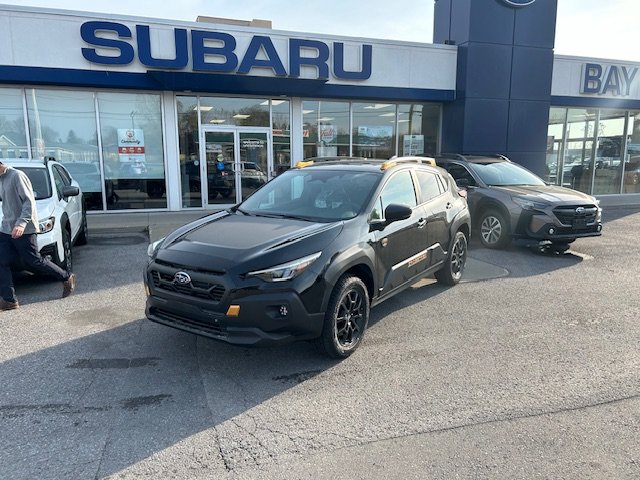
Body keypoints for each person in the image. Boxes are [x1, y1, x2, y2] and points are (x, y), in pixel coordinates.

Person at [0, 160, 76, 311]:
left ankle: (66, 276)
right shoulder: (1, 179)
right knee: (1, 261)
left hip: (24, 229)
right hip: (6, 229)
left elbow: (29, 203)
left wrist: (21, 223)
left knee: (33, 261)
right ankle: (9, 300)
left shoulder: (17, 176)